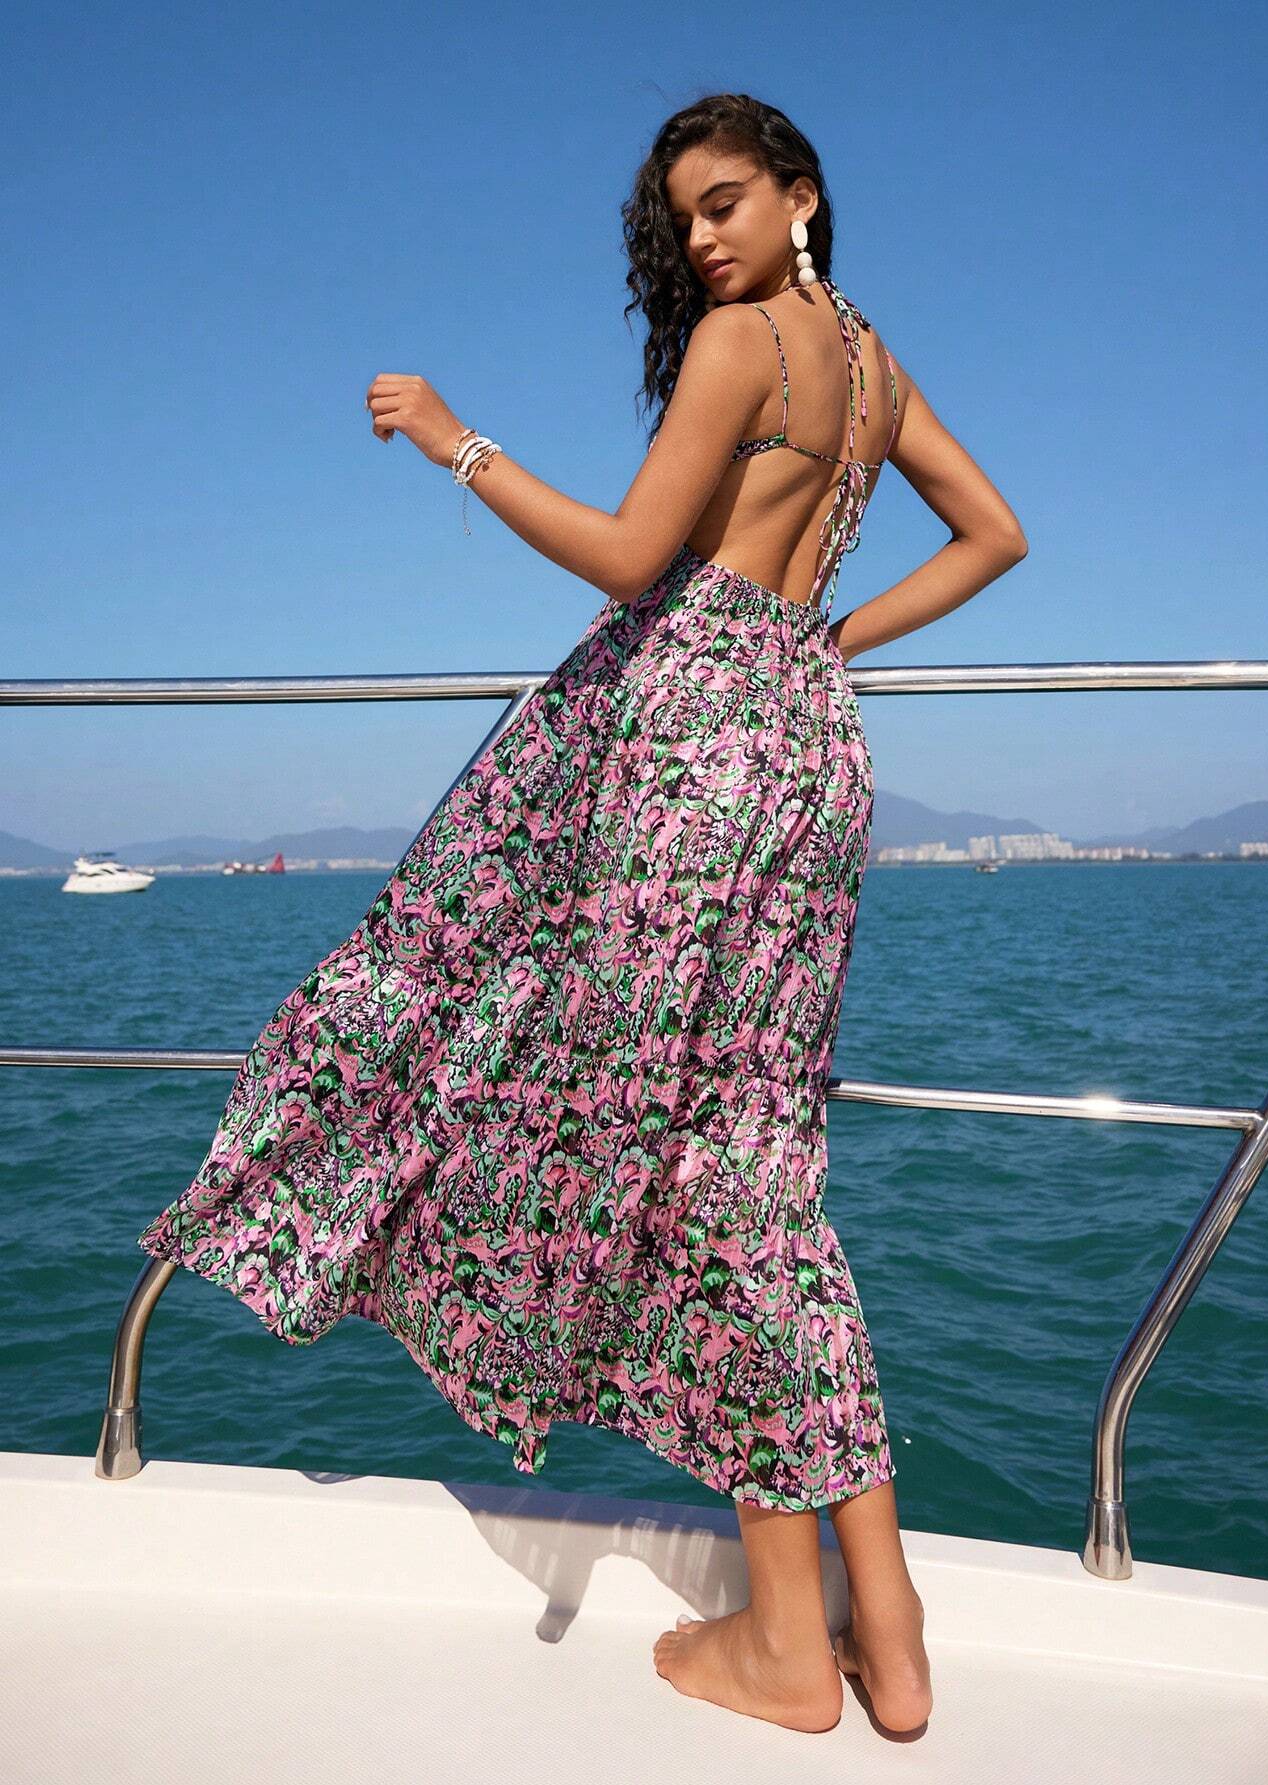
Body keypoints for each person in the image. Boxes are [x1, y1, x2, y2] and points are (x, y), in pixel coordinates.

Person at [138, 92, 1027, 1737]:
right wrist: (828, 640)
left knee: (658, 1138)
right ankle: (884, 1623)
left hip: (687, 749)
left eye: (726, 199)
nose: (702, 236)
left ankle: (796, 1643)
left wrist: (456, 441)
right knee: (758, 1156)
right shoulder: (873, 365)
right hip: (810, 754)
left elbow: (630, 560)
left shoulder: (746, 344)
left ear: (802, 196)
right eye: (682, 217)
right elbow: (997, 534)